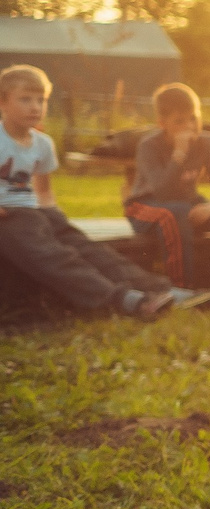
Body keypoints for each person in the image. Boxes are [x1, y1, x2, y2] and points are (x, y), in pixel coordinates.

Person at [0, 64, 199, 319]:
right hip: (8, 216)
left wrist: (57, 222)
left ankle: (164, 290)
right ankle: (123, 299)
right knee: (56, 257)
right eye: (25, 99)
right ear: (3, 102)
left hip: (37, 212)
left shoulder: (43, 143)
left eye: (41, 100)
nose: (35, 107)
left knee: (89, 249)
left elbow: (44, 192)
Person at [123, 81, 210, 301]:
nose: (190, 126)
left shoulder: (208, 141)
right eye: (179, 121)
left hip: (186, 205)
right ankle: (183, 290)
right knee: (175, 213)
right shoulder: (149, 146)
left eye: (194, 118)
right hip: (145, 207)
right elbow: (162, 191)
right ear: (162, 123)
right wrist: (179, 153)